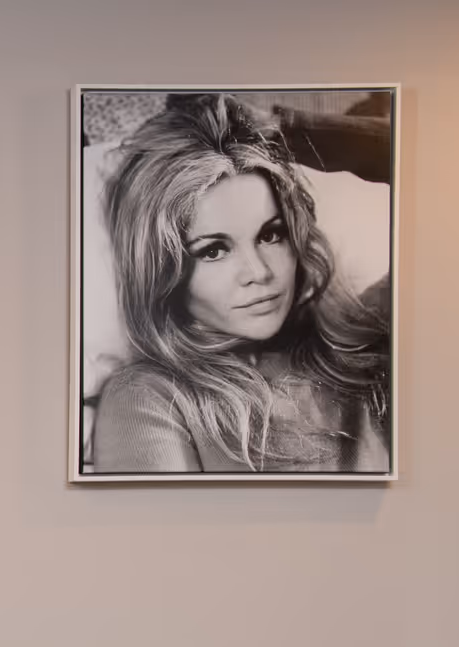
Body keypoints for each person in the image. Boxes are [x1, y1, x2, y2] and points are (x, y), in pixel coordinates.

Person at [92, 94, 391, 473]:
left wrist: (286, 130)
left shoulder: (363, 343)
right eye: (214, 250)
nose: (259, 272)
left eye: (271, 235)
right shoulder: (149, 397)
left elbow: (454, 172)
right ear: (163, 269)